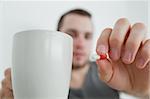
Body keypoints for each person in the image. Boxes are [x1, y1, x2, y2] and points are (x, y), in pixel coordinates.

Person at [0, 9, 149, 99]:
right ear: (57, 37)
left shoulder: (112, 71)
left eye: (87, 36)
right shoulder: (30, 79)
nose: (80, 43)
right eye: (72, 34)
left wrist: (144, 88)